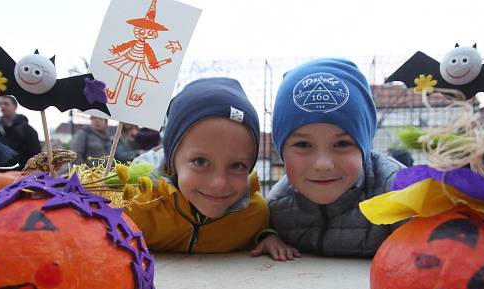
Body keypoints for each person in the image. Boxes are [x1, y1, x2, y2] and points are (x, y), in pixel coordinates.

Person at [126, 77, 295, 258]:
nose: (219, 184)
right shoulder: (134, 205)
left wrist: (267, 236)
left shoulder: (254, 214)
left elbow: (262, 228)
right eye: (200, 162)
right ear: (172, 161)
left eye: (237, 166)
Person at [266, 58, 405, 257]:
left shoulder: (398, 192)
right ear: (281, 150)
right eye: (303, 145)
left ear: (364, 147)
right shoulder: (277, 206)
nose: (323, 165)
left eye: (342, 144)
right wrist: (267, 235)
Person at [0, 95, 41, 169]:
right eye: (0, 104)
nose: (2, 106)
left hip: (23, 175)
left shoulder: (28, 130)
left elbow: (36, 156)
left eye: (6, 104)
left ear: (15, 107)